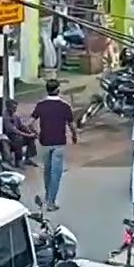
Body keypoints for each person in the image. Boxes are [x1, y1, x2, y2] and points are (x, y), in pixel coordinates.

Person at [30, 79, 78, 210]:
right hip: (59, 143)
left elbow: (30, 123)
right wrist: (74, 136)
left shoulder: (41, 105)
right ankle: (51, 202)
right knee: (56, 173)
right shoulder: (64, 106)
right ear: (58, 90)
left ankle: (47, 197)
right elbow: (71, 125)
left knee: (47, 171)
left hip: (44, 142)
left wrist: (37, 134)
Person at [1, 100, 38, 166]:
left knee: (31, 138)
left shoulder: (15, 115)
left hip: (17, 136)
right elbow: (14, 130)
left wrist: (30, 132)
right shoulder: (5, 117)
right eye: (14, 108)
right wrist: (28, 135)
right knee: (19, 139)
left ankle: (28, 158)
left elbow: (21, 126)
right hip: (9, 137)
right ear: (9, 107)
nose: (15, 109)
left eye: (16, 107)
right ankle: (18, 161)